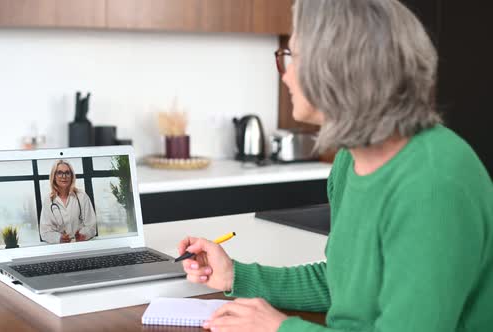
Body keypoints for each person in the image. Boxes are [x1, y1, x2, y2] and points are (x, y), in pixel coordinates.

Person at [178, 0, 493, 331]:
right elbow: (342, 284)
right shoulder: (350, 158)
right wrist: (235, 275)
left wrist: (279, 328)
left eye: (293, 57)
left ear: (337, 67)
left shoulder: (432, 183)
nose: (285, 74)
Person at [40, 159, 97, 244]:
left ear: (71, 176)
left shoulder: (81, 196)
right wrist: (59, 238)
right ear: (54, 176)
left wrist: (83, 235)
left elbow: (91, 226)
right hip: (60, 249)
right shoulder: (48, 200)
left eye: (67, 173)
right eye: (59, 173)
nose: (64, 176)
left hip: (81, 245)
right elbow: (45, 232)